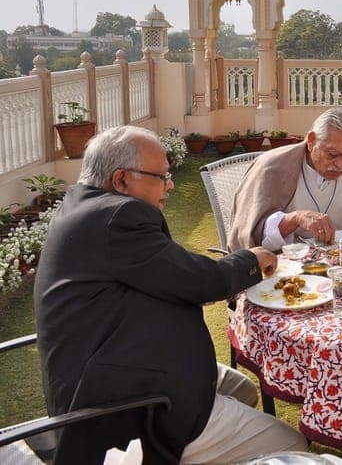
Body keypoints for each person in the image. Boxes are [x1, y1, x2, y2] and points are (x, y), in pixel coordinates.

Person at [33, 125, 307, 463]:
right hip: (128, 403)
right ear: (121, 180)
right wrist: (252, 258)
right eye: (162, 176)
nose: (171, 184)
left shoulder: (83, 205)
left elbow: (169, 270)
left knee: (244, 390)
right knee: (292, 445)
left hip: (107, 367)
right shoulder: (118, 217)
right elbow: (198, 281)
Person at [229, 108, 342, 251]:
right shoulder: (272, 168)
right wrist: (295, 219)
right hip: (279, 266)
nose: (341, 165)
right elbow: (250, 235)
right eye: (332, 154)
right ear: (312, 141)